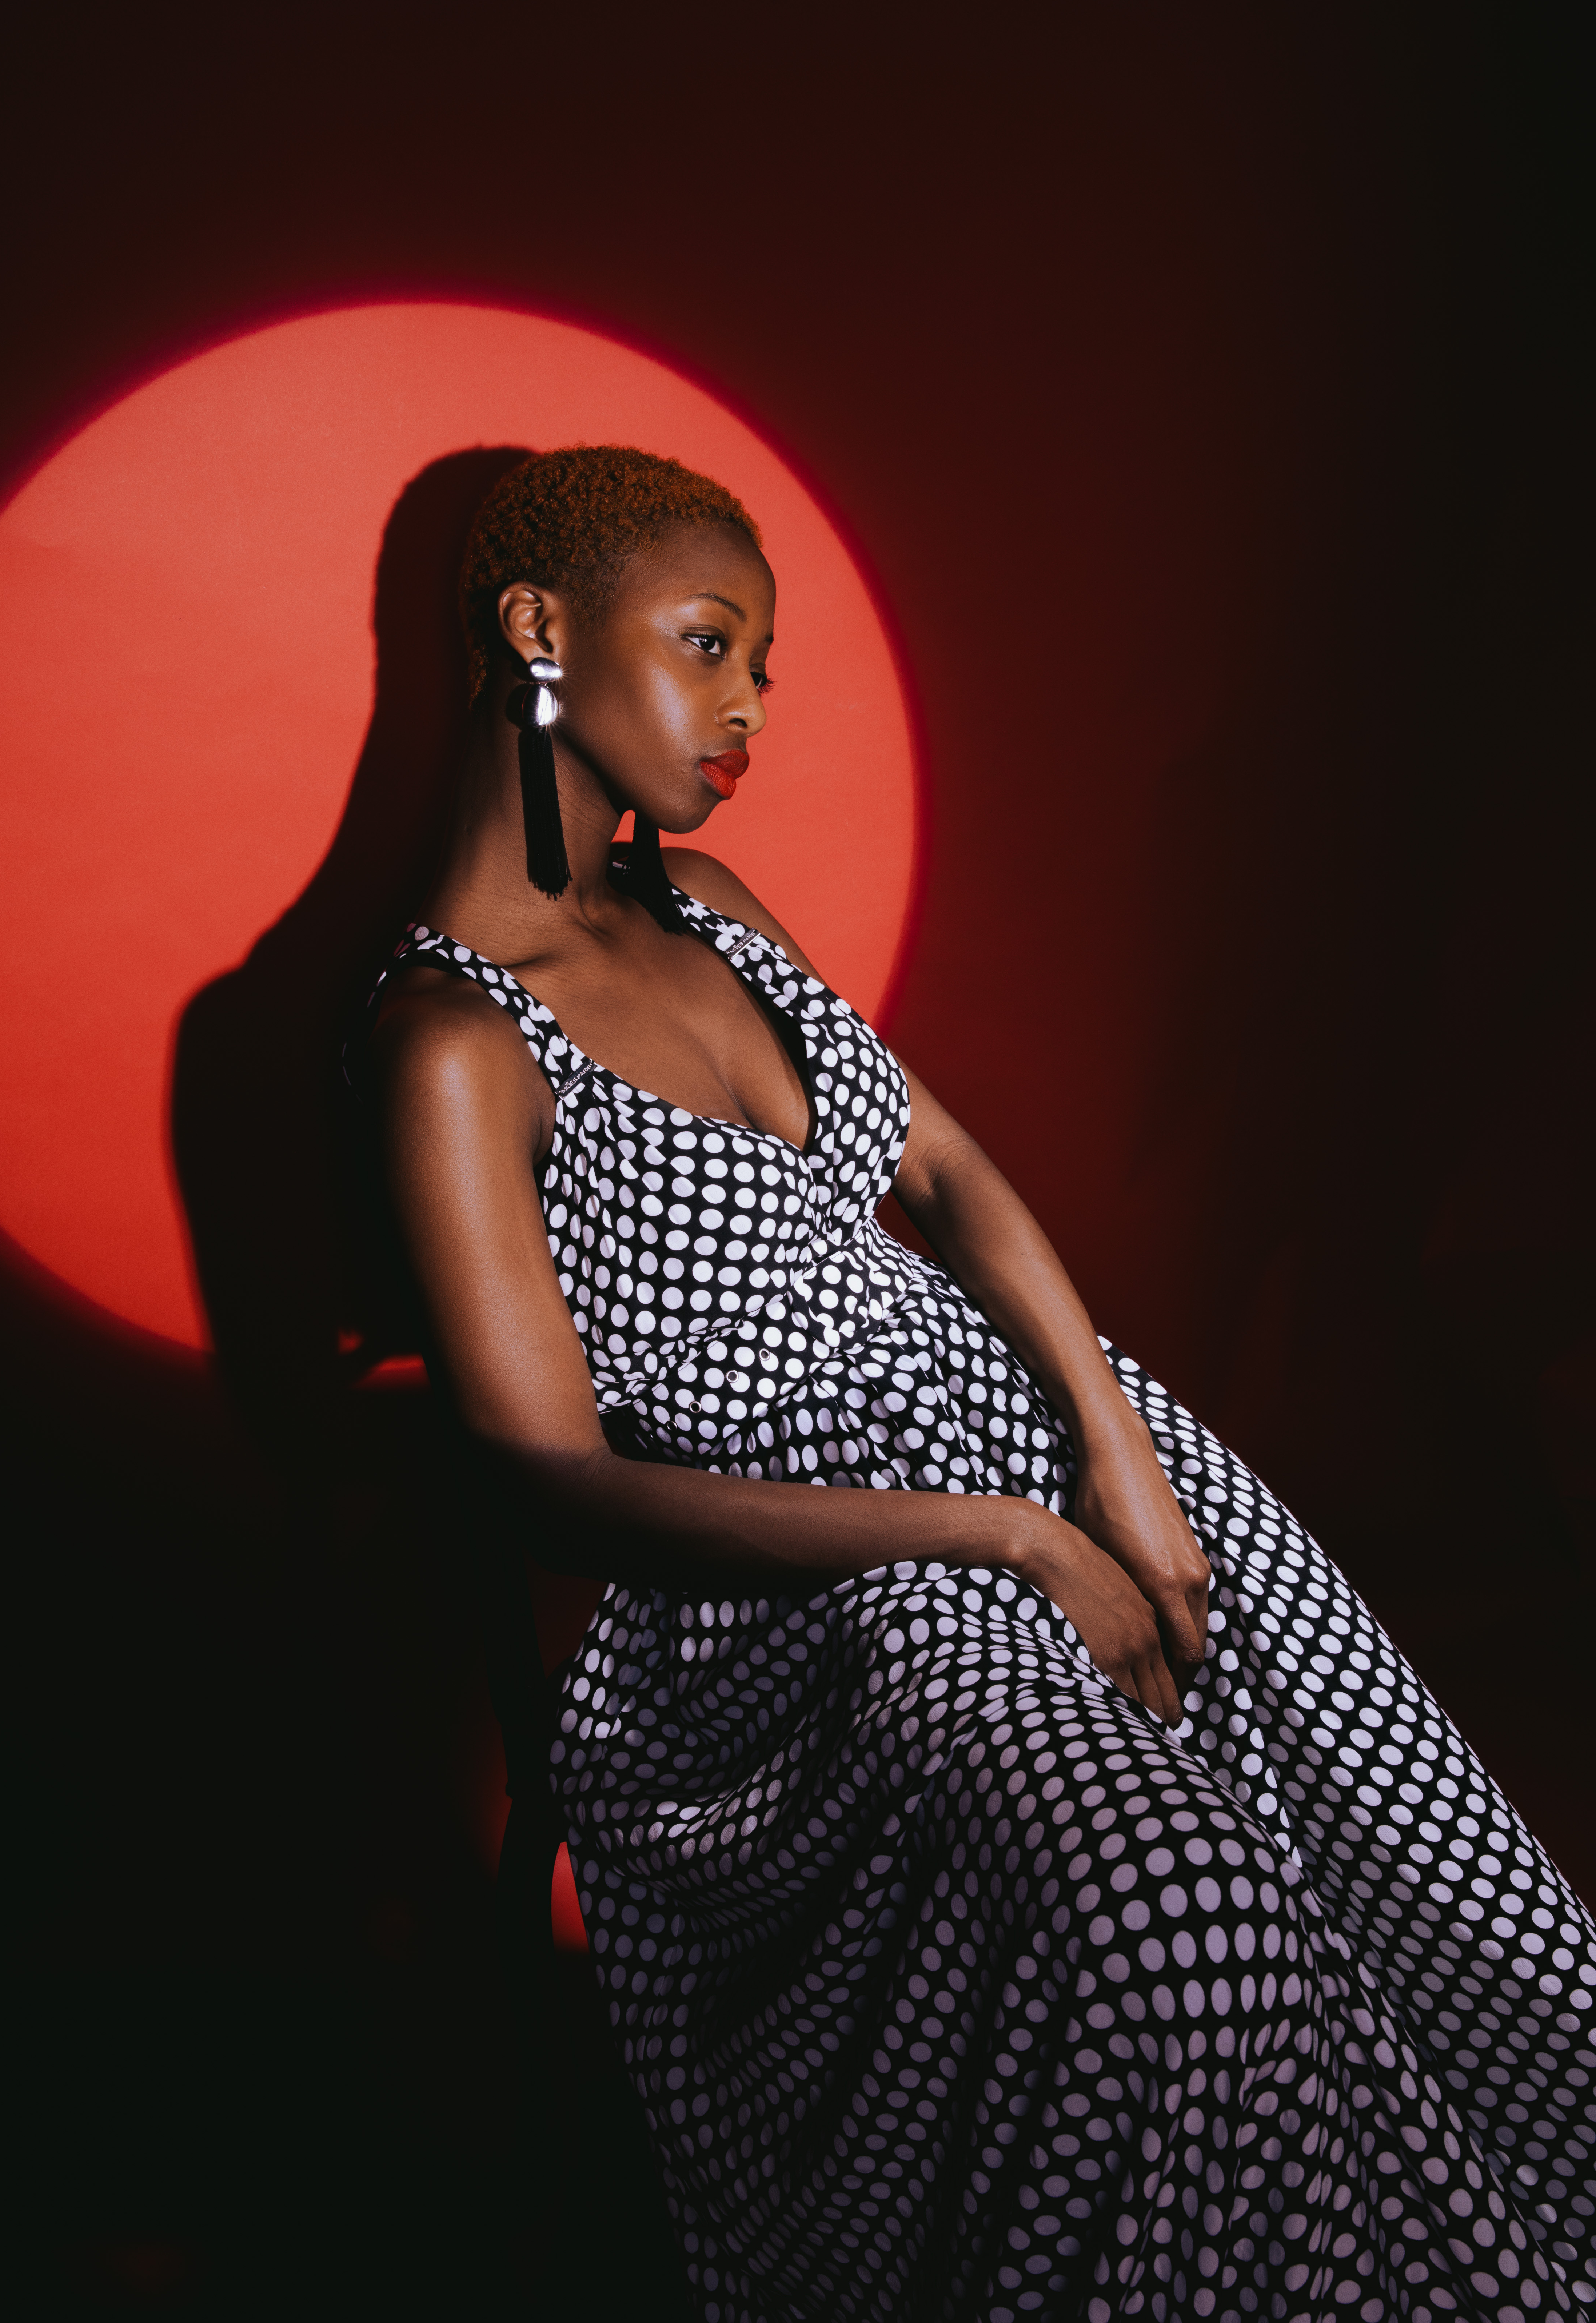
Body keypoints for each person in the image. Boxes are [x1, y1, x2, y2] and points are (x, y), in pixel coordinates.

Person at [357, 445, 1593, 2323]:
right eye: (708, 644)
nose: (749, 708)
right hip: (827, 1591)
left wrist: (1123, 1457)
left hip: (1066, 1453)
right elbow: (548, 1481)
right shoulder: (456, 1041)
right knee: (1195, 1945)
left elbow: (946, 1174)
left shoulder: (716, 909)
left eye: (767, 665)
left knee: (1450, 1903)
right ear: (541, 627)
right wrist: (1001, 1539)